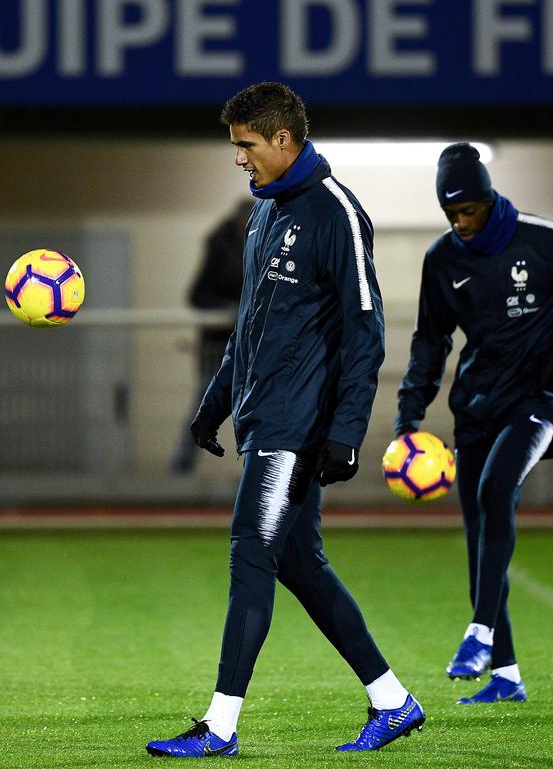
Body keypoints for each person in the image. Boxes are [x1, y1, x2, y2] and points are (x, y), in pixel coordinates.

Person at [146, 81, 425, 757]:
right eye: (234, 146)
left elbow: (366, 329)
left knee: (252, 554)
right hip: (263, 421)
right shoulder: (264, 214)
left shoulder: (334, 212)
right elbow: (249, 331)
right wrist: (213, 407)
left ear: (282, 138)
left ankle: (219, 726)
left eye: (246, 146)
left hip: (296, 433)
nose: (239, 159)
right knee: (300, 564)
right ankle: (394, 702)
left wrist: (346, 432)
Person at [394, 143, 553, 704]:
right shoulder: (443, 260)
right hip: (477, 408)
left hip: (537, 400)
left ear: (488, 199)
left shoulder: (544, 238)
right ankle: (506, 675)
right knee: (478, 536)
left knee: (495, 491)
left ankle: (478, 633)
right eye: (451, 214)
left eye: (469, 211)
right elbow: (430, 342)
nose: (461, 223)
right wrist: (410, 415)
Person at [170, 199, 252, 474]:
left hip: (255, 348)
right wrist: (228, 310)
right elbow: (197, 295)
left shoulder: (270, 242)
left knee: (259, 414)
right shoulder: (220, 244)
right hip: (219, 348)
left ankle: (263, 475)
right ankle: (179, 472)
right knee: (204, 408)